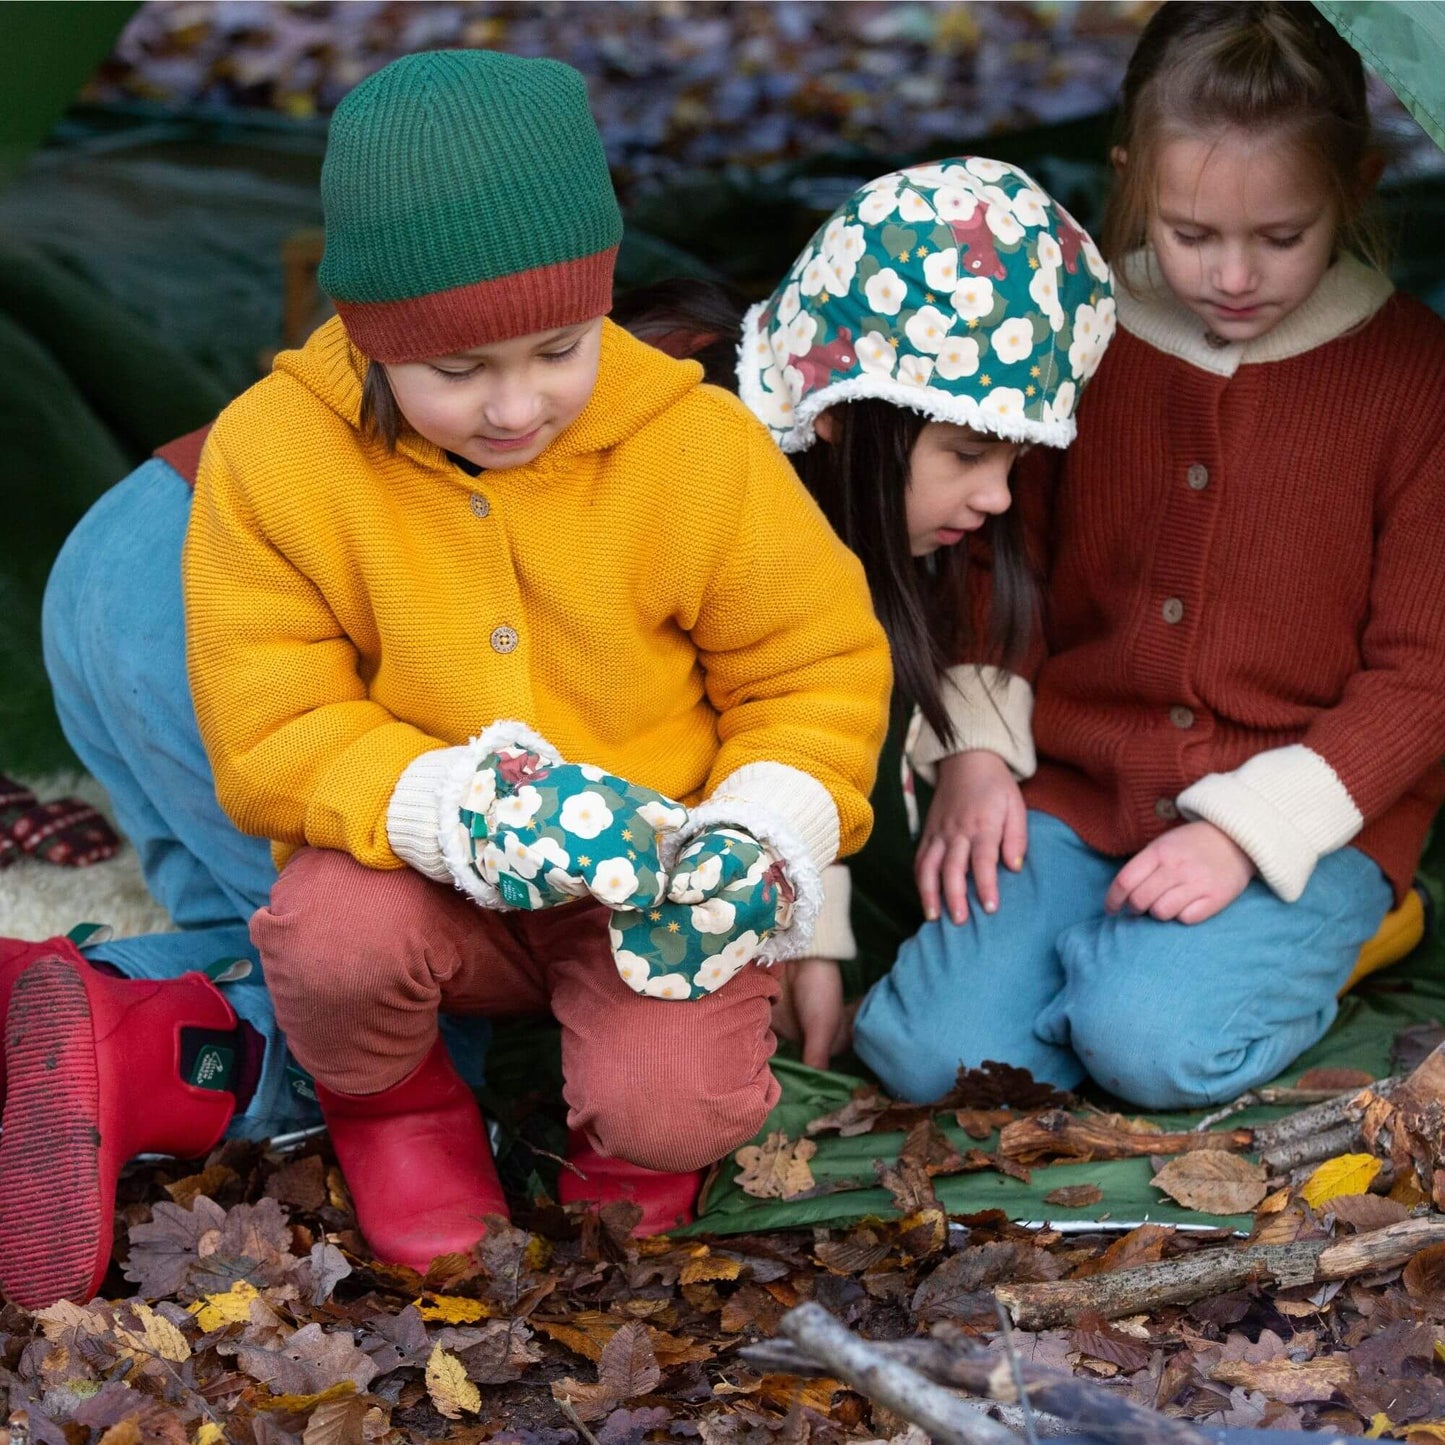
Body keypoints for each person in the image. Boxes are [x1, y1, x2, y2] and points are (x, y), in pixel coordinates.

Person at [3, 49, 890, 1308]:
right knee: (325, 930)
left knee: (673, 1104)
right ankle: (396, 1105)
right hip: (426, 871)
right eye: (456, 373)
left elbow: (813, 667)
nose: (516, 406)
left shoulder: (694, 446)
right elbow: (271, 717)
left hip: (650, 879)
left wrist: (765, 823)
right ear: (368, 340)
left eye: (557, 348)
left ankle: (621, 1140)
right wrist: (442, 804)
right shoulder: (279, 454)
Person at [845, 0, 1445, 1109]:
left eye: (1280, 236)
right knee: (932, 1055)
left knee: (1145, 1043)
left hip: (1307, 811)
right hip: (1076, 786)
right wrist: (976, 750)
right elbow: (992, 557)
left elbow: (1423, 673)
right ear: (1127, 181)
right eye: (1187, 233)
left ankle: (1346, 927)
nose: (1230, 275)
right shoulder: (1081, 340)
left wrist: (1245, 833)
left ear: (1354, 192)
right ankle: (1114, 958)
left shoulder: (1414, 377)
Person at [732, 157, 1115, 1067]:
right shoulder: (727, 512)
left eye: (1014, 464)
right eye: (969, 455)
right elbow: (762, 722)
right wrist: (807, 935)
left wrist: (974, 748)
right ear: (838, 412)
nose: (994, 497)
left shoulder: (913, 522)